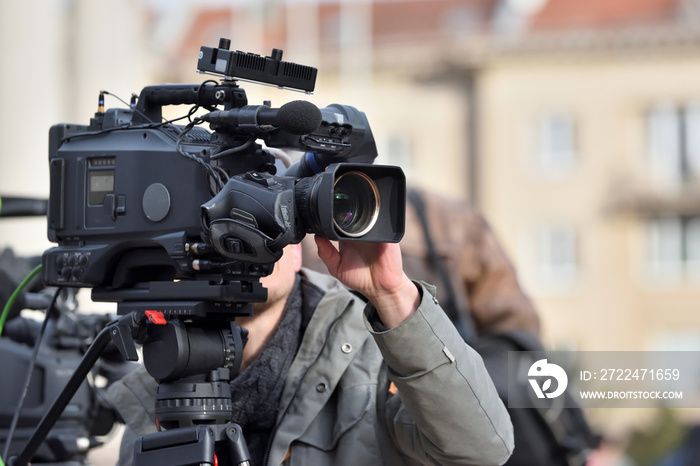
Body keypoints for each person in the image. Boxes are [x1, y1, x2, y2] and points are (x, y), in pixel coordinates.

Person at [107, 237, 514, 465]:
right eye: (219, 229)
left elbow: (481, 450)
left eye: (266, 227)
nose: (243, 248)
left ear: (298, 245)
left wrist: (393, 294)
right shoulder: (155, 383)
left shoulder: (374, 356)